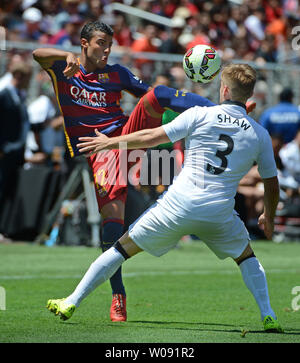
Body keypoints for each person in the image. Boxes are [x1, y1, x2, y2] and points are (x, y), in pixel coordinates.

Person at [45, 64, 283, 333]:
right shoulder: (259, 133)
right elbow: (271, 183)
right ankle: (268, 314)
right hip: (218, 213)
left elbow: (150, 136)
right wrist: (269, 216)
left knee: (120, 250)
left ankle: (71, 301)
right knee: (246, 257)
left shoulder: (200, 114)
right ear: (249, 96)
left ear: (224, 89)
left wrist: (108, 143)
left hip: (178, 205)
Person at [32, 20, 215, 322]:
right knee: (112, 222)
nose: (106, 50)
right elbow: (38, 53)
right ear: (84, 43)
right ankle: (118, 295)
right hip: (101, 155)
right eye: (101, 42)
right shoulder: (64, 69)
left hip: (125, 137)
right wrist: (64, 55)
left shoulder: (117, 74)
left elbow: (152, 95)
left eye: (109, 44)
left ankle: (215, 109)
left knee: (157, 95)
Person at [0, 62, 32, 210]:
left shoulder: (20, 96)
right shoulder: (4, 95)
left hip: (16, 152)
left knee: (10, 191)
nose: (29, 82)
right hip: (4, 151)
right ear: (19, 76)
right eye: (27, 78)